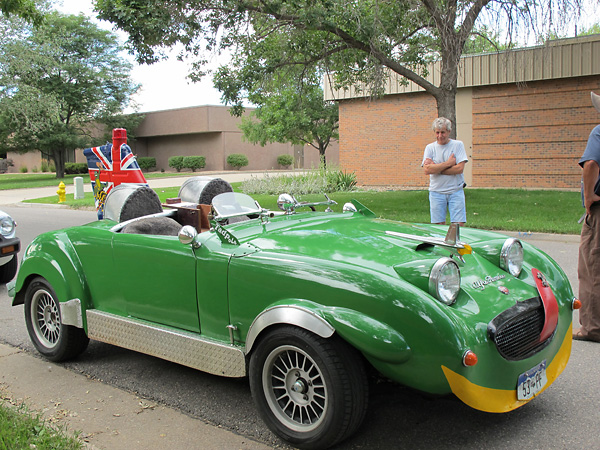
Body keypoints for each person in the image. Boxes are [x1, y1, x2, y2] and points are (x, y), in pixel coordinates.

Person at [573, 91, 600, 343]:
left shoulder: (598, 132)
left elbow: (591, 164)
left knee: (592, 266)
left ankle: (592, 328)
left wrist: (589, 196)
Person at [422, 117, 468, 225]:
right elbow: (427, 169)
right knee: (438, 228)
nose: (440, 136)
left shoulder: (458, 145)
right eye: (437, 132)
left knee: (458, 226)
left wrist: (436, 168)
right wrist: (448, 164)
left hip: (455, 191)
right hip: (436, 192)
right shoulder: (430, 148)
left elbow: (459, 169)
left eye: (443, 132)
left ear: (449, 131)